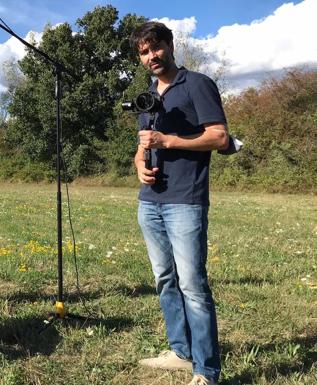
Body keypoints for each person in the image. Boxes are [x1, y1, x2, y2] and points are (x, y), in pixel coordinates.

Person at [129, 21, 229, 385]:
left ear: (170, 45)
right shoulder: (148, 96)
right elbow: (143, 145)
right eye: (143, 52)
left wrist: (169, 141)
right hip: (150, 202)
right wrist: (140, 164)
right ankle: (181, 352)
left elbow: (219, 136)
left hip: (185, 200)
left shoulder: (197, 84)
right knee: (165, 279)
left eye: (155, 47)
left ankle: (207, 371)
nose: (151, 56)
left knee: (193, 285)